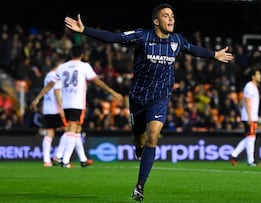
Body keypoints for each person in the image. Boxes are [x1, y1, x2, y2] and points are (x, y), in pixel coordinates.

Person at [64, 3, 233, 201]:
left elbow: (194, 49)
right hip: (137, 97)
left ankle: (140, 186)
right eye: (166, 16)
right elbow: (115, 38)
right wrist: (85, 30)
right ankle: (138, 149)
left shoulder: (177, 41)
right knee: (139, 139)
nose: (171, 19)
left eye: (172, 16)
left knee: (153, 136)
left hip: (160, 97)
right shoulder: (142, 36)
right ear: (156, 21)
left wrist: (214, 55)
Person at [31, 45, 123, 168]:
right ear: (83, 55)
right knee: (72, 131)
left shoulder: (62, 67)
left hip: (66, 104)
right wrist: (113, 92)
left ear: (70, 54)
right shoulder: (84, 66)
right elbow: (97, 81)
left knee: (76, 130)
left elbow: (50, 85)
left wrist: (37, 99)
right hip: (77, 103)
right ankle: (64, 160)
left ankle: (82, 159)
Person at [36, 58, 67, 167]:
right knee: (70, 131)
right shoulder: (56, 75)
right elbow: (57, 91)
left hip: (47, 109)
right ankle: (58, 156)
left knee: (50, 134)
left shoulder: (47, 75)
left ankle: (46, 160)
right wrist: (62, 108)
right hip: (56, 109)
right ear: (58, 66)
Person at [229, 69, 261, 167]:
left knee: (249, 137)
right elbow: (247, 101)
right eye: (258, 74)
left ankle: (234, 155)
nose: (260, 76)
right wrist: (250, 116)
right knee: (251, 138)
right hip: (249, 116)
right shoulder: (249, 86)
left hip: (252, 115)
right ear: (253, 76)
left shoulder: (254, 87)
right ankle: (251, 161)